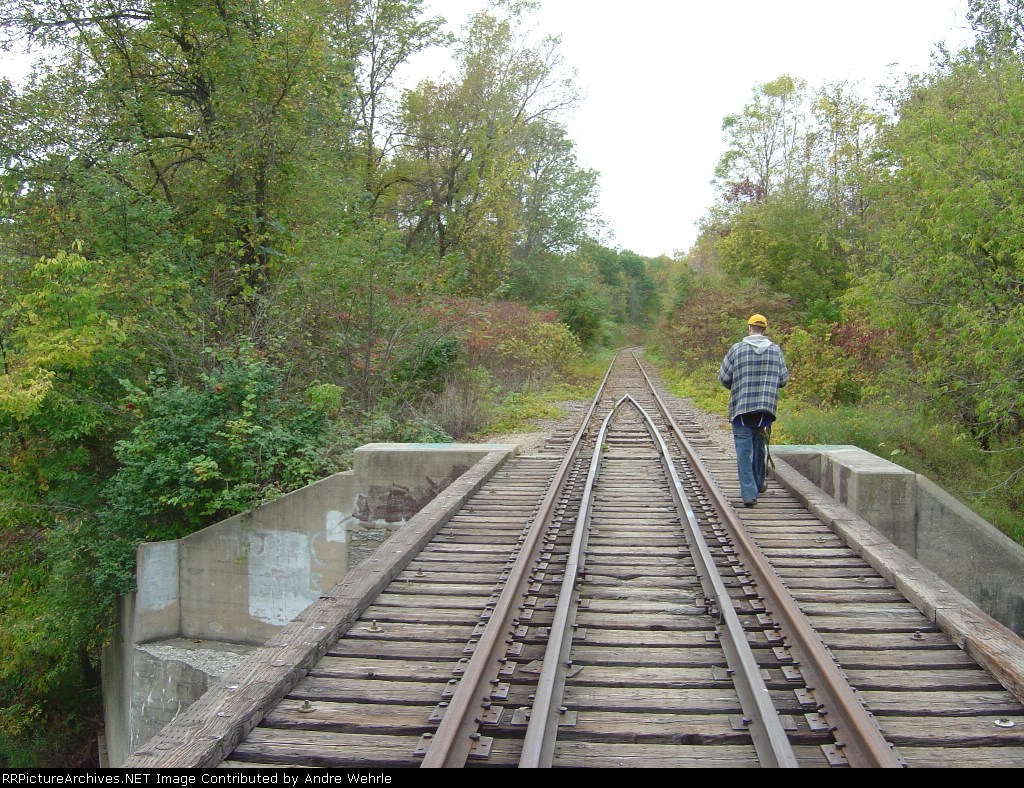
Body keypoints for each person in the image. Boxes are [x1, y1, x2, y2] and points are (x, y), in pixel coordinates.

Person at [718, 314, 789, 507]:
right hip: (765, 410)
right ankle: (758, 483)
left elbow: (723, 378)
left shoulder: (737, 349)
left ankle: (749, 494)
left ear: (749, 328)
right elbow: (783, 379)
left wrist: (738, 385)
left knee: (743, 450)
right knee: (759, 445)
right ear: (765, 329)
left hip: (741, 408)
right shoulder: (776, 351)